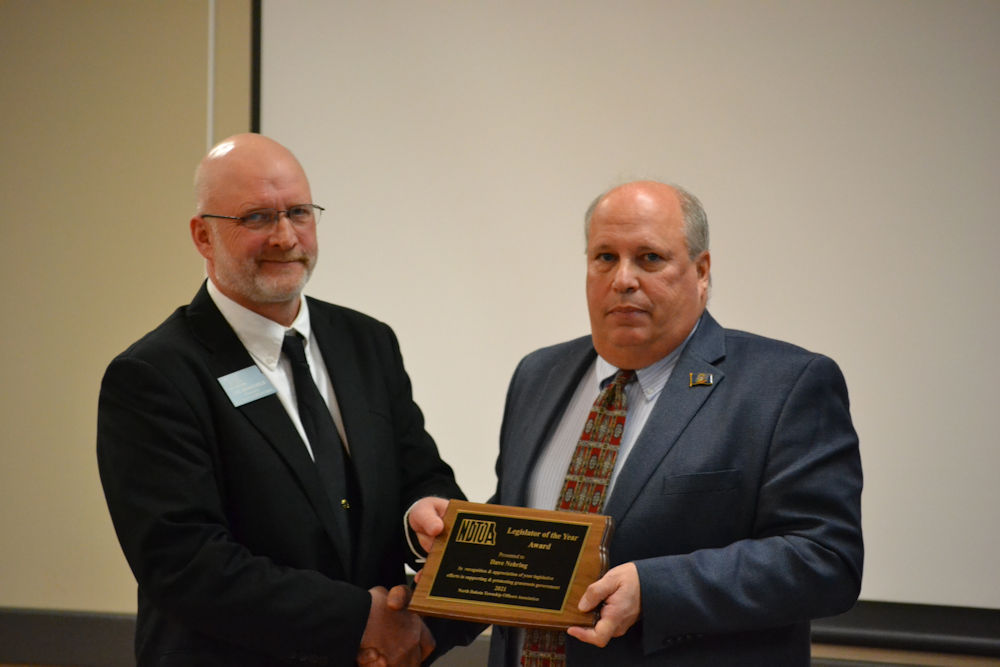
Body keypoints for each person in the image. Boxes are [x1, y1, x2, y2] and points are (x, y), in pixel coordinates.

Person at [97, 133, 472, 666]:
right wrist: (360, 622)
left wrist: (424, 517)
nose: (284, 236)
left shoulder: (367, 341)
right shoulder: (154, 375)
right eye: (256, 217)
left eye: (298, 212)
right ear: (203, 236)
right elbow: (187, 564)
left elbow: (421, 475)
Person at [484, 181, 863, 665]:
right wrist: (448, 543)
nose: (623, 279)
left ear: (701, 272)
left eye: (649, 258)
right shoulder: (538, 374)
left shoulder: (784, 385)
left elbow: (825, 559)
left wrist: (656, 589)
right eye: (605, 257)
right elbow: (527, 527)